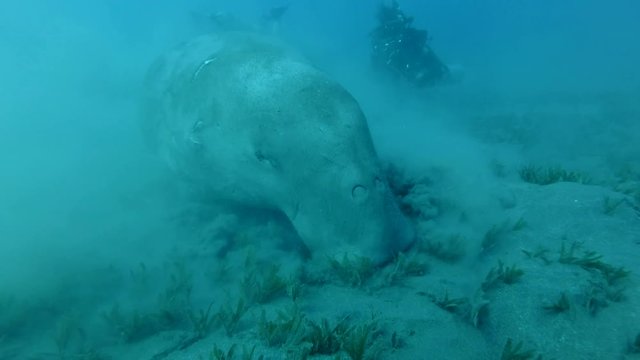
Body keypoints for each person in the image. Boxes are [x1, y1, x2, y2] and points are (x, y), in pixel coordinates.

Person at [370, 1, 449, 87]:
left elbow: (426, 49)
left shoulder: (410, 36)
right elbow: (378, 64)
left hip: (416, 74)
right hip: (400, 82)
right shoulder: (382, 40)